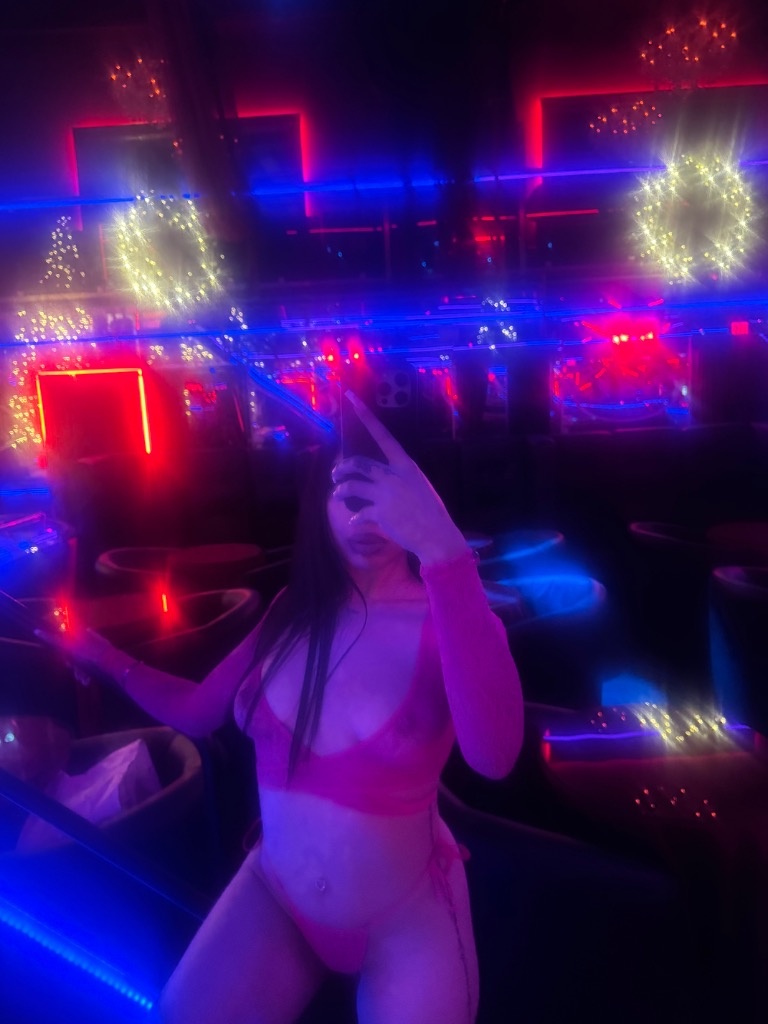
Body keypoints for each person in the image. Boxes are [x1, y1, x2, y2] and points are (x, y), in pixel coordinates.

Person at [38, 390, 524, 1024]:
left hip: (407, 914)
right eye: (346, 492)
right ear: (319, 501)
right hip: (277, 893)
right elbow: (198, 710)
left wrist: (447, 555)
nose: (365, 517)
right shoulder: (292, 610)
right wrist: (103, 655)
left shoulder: (445, 618)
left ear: (419, 500)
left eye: (383, 494)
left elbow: (494, 756)